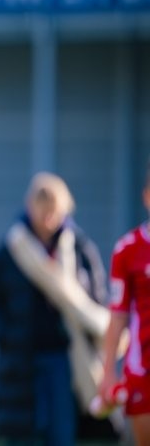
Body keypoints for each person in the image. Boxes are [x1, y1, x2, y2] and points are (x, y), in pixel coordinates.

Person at [0, 172, 112, 446]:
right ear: (31, 208)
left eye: (54, 212)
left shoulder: (79, 248)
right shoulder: (10, 250)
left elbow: (99, 297)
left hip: (66, 359)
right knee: (24, 436)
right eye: (43, 211)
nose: (48, 220)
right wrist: (8, 338)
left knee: (61, 435)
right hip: (22, 362)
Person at [100, 160, 150, 445]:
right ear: (146, 197)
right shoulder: (127, 249)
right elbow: (117, 315)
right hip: (142, 370)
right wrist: (108, 372)